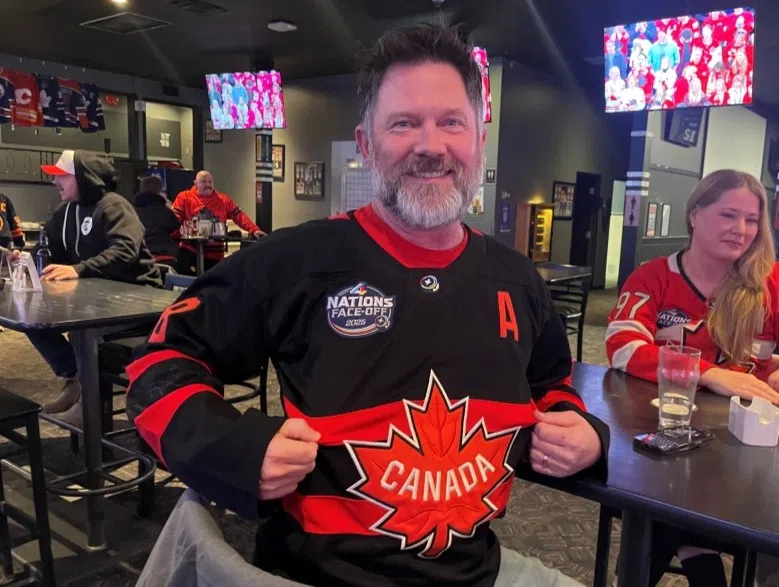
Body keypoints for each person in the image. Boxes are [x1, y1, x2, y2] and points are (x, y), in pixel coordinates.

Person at [128, 24, 608, 587]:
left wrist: (579, 429)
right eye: (403, 123)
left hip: (477, 571)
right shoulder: (296, 260)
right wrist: (235, 449)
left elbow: (551, 384)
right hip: (314, 573)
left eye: (451, 122)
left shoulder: (518, 280)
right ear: (366, 144)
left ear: (479, 138)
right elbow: (156, 364)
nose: (431, 145)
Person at [605, 169, 779, 586]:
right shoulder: (652, 276)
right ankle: (697, 554)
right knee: (660, 507)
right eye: (728, 215)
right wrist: (712, 374)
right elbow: (623, 346)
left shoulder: (772, 281)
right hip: (667, 442)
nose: (741, 230)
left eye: (751, 220)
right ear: (694, 215)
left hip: (749, 458)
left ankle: (697, 553)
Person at [25, 150, 162, 426]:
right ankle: (74, 380)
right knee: (32, 320)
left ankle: (89, 403)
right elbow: (51, 246)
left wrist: (78, 269)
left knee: (80, 328)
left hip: (138, 298)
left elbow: (125, 251)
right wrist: (27, 256)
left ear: (83, 178)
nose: (55, 182)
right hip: (96, 298)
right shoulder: (66, 212)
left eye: (62, 176)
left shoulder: (114, 206)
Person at [171, 170, 266, 275]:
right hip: (191, 252)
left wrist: (254, 230)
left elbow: (239, 215)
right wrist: (176, 233)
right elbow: (174, 220)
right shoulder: (184, 197)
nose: (207, 185)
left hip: (215, 256)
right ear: (195, 184)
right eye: (203, 182)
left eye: (210, 182)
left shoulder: (223, 200)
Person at [133, 175, 179, 263]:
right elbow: (175, 225)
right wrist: (169, 208)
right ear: (159, 191)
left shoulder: (132, 210)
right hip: (164, 253)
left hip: (139, 252)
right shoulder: (164, 211)